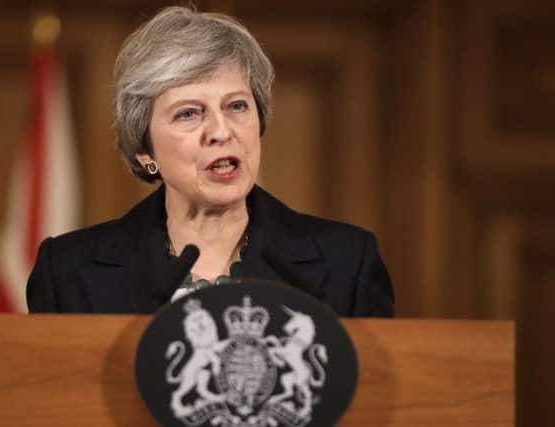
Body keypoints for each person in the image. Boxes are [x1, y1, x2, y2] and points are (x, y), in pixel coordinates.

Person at [26, 6, 394, 317]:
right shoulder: (69, 271)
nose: (221, 131)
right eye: (188, 114)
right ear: (145, 150)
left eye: (237, 106)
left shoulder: (347, 261)